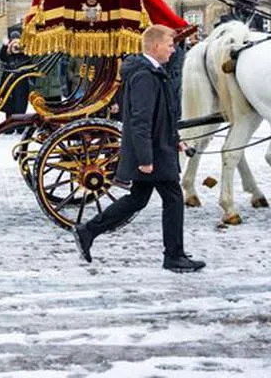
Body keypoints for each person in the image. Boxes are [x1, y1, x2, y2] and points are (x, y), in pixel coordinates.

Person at [72, 25, 205, 273]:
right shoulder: (145, 75)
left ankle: (88, 230)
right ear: (155, 47)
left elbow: (161, 114)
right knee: (173, 199)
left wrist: (175, 138)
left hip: (158, 147)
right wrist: (146, 158)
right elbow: (139, 120)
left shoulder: (151, 71)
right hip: (153, 152)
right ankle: (173, 256)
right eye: (169, 45)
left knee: (138, 199)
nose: (172, 49)